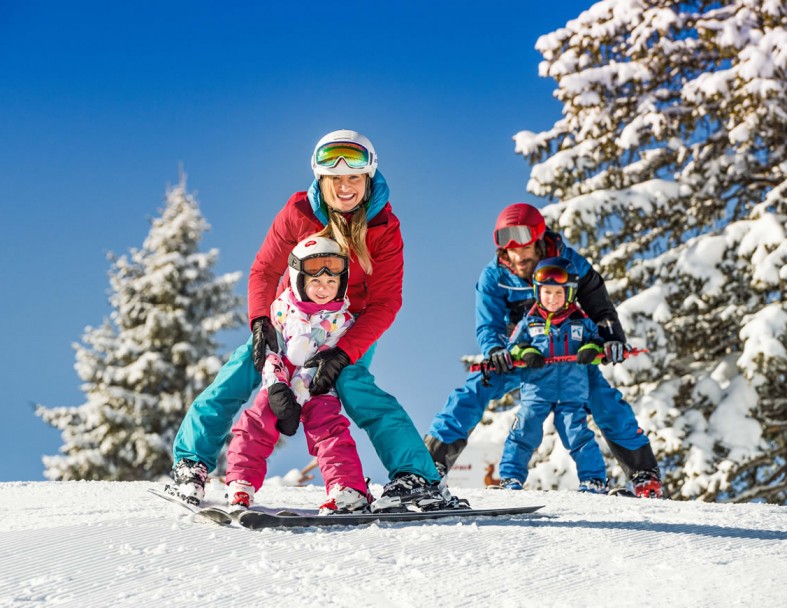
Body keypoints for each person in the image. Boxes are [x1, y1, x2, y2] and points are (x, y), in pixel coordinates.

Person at [166, 129, 465, 512]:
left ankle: (416, 477)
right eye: (335, 178)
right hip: (290, 319)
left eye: (354, 178)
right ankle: (191, 462)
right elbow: (263, 271)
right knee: (240, 372)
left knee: (355, 386)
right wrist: (261, 324)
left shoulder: (384, 230)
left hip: (345, 327)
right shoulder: (298, 213)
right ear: (321, 179)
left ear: (368, 178)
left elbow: (386, 301)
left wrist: (342, 353)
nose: (345, 187)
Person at [425, 203, 664, 499]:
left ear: (538, 239)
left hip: (571, 354)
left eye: (523, 245)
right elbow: (488, 324)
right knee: (473, 391)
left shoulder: (570, 263)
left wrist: (611, 338)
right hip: (524, 355)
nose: (517, 255)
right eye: (508, 246)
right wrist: (496, 351)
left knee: (606, 401)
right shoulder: (494, 276)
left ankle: (644, 477)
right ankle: (428, 467)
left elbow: (600, 307)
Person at [225, 236, 370, 515]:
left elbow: (327, 357)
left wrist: (302, 390)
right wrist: (278, 386)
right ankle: (241, 481)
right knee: (257, 421)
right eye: (315, 281)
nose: (324, 289)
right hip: (279, 379)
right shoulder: (280, 309)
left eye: (332, 282)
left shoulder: (343, 321)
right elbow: (272, 351)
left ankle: (346, 488)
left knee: (329, 429)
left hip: (317, 384)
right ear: (299, 279)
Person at [497, 257, 608, 493]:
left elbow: (598, 343)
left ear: (569, 294)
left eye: (559, 293)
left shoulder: (581, 321)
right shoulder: (530, 322)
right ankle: (510, 478)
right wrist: (526, 352)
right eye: (547, 293)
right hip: (537, 390)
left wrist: (591, 349)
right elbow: (513, 346)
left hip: (571, 392)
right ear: (538, 292)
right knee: (524, 429)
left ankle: (594, 480)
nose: (552, 299)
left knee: (577, 434)